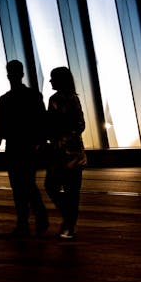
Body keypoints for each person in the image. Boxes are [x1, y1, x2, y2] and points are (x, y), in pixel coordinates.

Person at [0, 59, 49, 238]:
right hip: (29, 147)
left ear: (9, 75)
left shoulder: (5, 99)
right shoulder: (34, 96)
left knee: (18, 187)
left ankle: (24, 222)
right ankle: (39, 217)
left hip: (15, 147)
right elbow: (42, 120)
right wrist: (40, 142)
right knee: (28, 184)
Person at [44, 66, 86, 240]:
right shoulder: (71, 99)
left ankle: (68, 222)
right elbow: (80, 124)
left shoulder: (58, 100)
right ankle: (69, 223)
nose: (50, 81)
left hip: (64, 152)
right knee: (70, 189)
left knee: (55, 186)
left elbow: (51, 124)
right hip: (71, 151)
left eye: (53, 78)